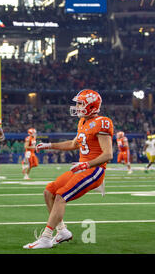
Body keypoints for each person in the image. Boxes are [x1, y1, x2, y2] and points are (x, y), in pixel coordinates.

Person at [23, 89, 113, 249]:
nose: (77, 106)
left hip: (94, 170)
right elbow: (73, 144)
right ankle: (62, 231)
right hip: (82, 168)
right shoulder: (83, 121)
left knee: (60, 196)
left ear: (91, 106)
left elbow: (108, 154)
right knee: (49, 192)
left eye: (80, 103)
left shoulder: (102, 122)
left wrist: (86, 164)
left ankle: (46, 237)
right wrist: (50, 145)